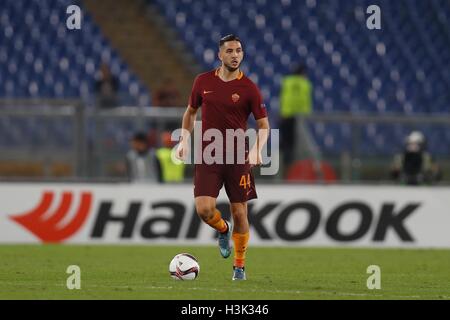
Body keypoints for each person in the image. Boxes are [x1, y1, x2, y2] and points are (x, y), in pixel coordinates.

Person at [175, 34, 270, 280]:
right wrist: (184, 139)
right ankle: (223, 229)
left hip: (238, 157)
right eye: (230, 51)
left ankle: (239, 266)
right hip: (209, 154)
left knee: (240, 212)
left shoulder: (249, 88)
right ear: (220, 55)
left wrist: (257, 149)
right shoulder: (202, 81)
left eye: (239, 50)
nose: (235, 55)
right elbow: (190, 112)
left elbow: (264, 126)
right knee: (204, 210)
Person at [279, 64, 313, 170]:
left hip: (285, 115)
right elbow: (306, 101)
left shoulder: (287, 81)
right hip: (298, 118)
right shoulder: (306, 84)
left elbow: (283, 98)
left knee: (284, 143)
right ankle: (291, 166)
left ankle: (281, 166)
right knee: (294, 144)